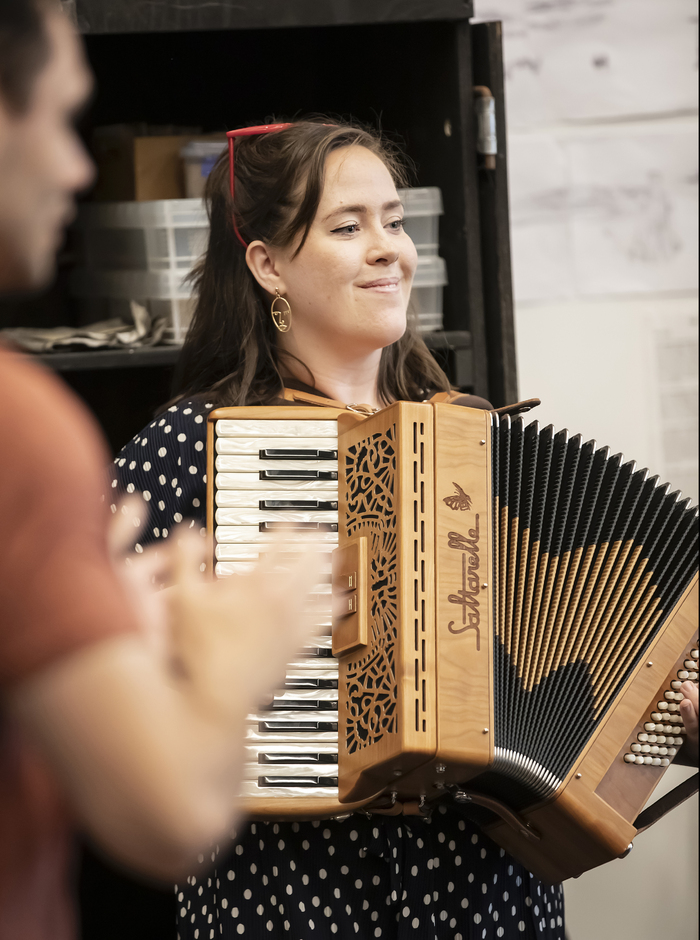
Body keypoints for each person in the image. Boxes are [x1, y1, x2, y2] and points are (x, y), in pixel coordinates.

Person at [114, 117, 561, 940]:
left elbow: (560, 656)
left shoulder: (477, 442)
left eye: (394, 220)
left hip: (486, 896)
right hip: (295, 892)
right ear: (268, 264)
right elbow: (97, 697)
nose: (389, 246)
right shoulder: (187, 450)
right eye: (348, 227)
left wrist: (662, 720)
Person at [0, 0, 318, 938]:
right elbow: (170, 814)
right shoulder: (25, 427)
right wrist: (237, 655)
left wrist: (88, 633)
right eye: (57, 119)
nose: (75, 166)